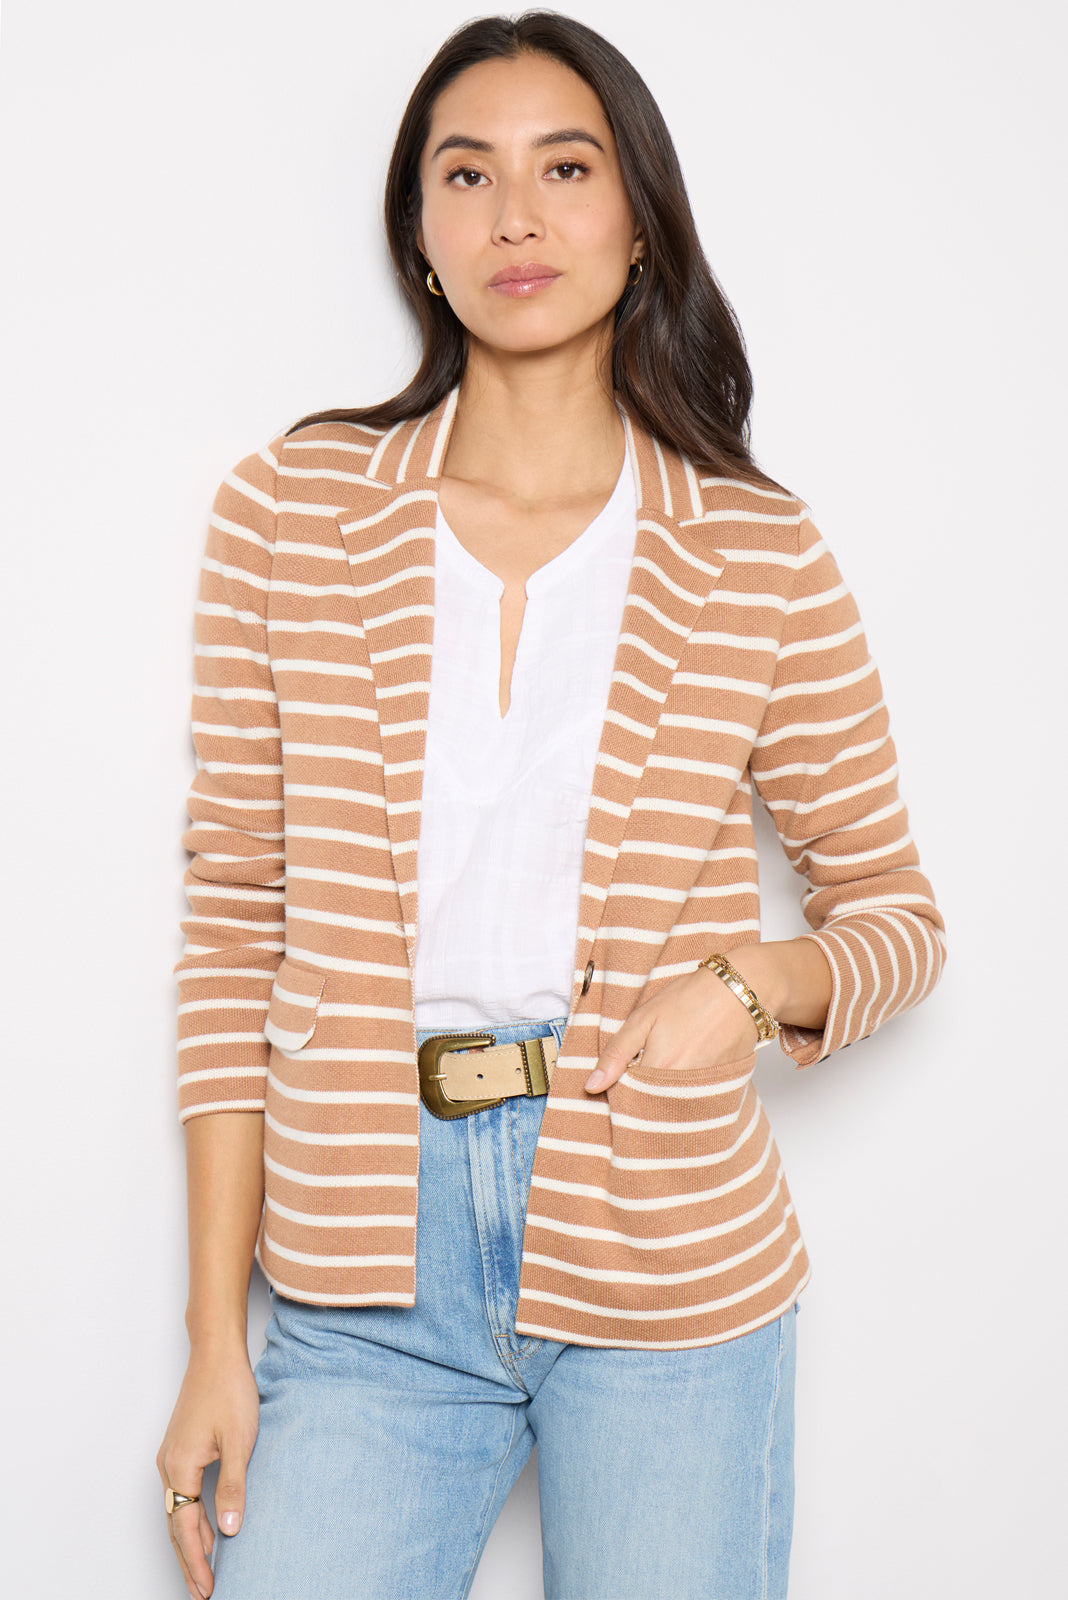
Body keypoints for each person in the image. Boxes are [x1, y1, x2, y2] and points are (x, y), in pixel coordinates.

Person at [157, 13, 945, 1599]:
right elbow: (236, 926)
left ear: (639, 219)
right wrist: (212, 1343)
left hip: (668, 1249)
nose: (516, 214)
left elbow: (896, 919)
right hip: (364, 1274)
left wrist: (747, 987)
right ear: (420, 234)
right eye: (468, 175)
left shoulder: (755, 552)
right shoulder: (292, 511)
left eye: (566, 169)